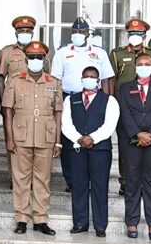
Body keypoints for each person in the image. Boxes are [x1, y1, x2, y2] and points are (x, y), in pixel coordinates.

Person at [2, 41, 62, 236]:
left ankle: (40, 219)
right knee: (20, 179)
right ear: (26, 59)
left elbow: (57, 113)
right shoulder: (15, 81)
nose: (36, 60)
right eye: (33, 57)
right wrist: (9, 139)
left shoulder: (54, 82)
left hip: (45, 137)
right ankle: (21, 218)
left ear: (45, 60)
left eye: (40, 58)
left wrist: (58, 140)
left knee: (43, 180)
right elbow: (7, 111)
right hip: (21, 137)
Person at [51, 17, 115, 193]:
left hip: (95, 99)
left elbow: (107, 80)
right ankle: (71, 179)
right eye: (74, 32)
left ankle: (91, 178)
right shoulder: (62, 53)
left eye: (81, 31)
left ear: (88, 33)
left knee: (93, 137)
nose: (77, 35)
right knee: (68, 139)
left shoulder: (100, 53)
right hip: (69, 98)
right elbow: (55, 80)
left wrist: (107, 103)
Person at [61, 66, 119, 238]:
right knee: (78, 185)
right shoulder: (71, 100)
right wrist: (78, 138)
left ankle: (100, 225)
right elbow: (66, 123)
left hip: (100, 149)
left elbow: (110, 125)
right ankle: (80, 222)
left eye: (92, 76)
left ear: (98, 79)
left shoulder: (109, 100)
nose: (88, 79)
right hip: (77, 148)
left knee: (100, 186)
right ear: (81, 78)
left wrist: (92, 138)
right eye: (85, 76)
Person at [118, 54, 151, 241]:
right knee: (132, 182)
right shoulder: (125, 88)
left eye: (147, 64)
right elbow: (124, 113)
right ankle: (131, 221)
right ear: (135, 66)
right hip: (131, 141)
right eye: (140, 64)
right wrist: (137, 134)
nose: (143, 67)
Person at [110, 19, 151, 195]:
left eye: (138, 34)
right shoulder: (117, 54)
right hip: (124, 109)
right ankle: (126, 182)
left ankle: (144, 182)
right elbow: (112, 80)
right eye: (132, 34)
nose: (135, 37)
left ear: (144, 35)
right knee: (126, 147)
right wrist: (111, 103)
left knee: (148, 147)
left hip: (147, 109)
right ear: (127, 35)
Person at [0, 15, 50, 189]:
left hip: (37, 103)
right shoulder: (7, 51)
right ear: (16, 32)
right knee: (14, 143)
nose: (24, 33)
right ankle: (15, 179)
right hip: (14, 104)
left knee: (37, 142)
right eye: (21, 31)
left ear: (33, 32)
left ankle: (35, 180)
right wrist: (4, 103)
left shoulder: (41, 52)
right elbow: (0, 78)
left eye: (28, 31)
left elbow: (48, 77)